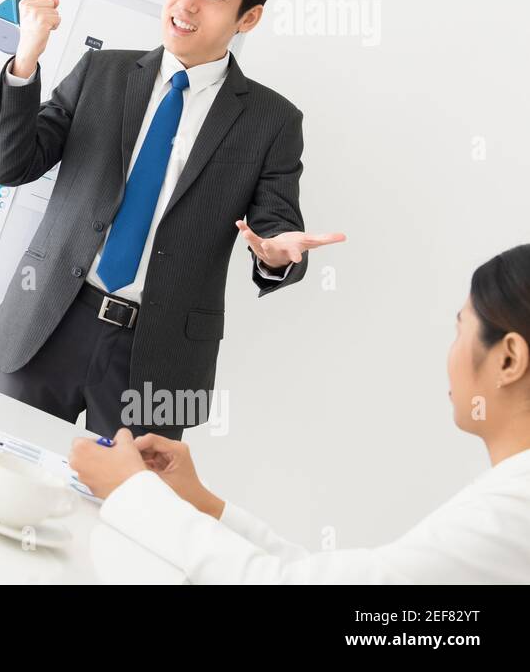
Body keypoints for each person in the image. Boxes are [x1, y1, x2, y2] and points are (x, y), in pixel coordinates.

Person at [0, 0, 344, 437]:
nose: (187, 3)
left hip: (158, 358)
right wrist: (25, 61)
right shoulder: (101, 73)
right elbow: (10, 166)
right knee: (4, 477)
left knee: (125, 510)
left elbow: (277, 225)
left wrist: (276, 254)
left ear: (249, 17)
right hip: (49, 325)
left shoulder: (272, 121)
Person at [69, 243, 530, 583]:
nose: (449, 352)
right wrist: (202, 504)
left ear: (508, 359)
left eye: (460, 328)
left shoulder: (514, 510)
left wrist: (132, 491)